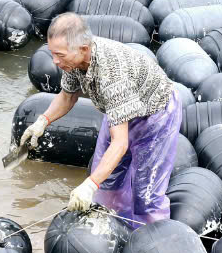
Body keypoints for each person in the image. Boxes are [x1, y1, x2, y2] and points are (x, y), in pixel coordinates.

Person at [20, 12, 183, 225]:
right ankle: (114, 228)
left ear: (84, 49)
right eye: (53, 54)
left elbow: (120, 143)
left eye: (59, 55)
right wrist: (42, 121)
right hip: (118, 110)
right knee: (107, 182)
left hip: (154, 114)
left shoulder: (112, 75)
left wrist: (89, 185)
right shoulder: (74, 60)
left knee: (146, 196)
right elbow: (68, 96)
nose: (55, 61)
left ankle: (148, 242)